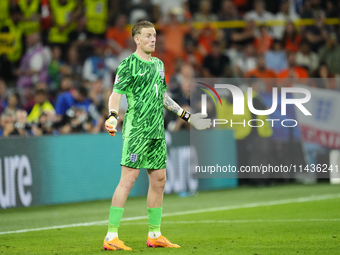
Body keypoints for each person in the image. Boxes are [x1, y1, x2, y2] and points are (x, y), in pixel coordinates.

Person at [103, 20, 211, 251]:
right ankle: (111, 236)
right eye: (148, 36)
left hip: (156, 131)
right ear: (137, 39)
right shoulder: (127, 65)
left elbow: (162, 97)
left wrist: (188, 116)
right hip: (137, 131)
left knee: (159, 181)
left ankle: (154, 234)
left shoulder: (159, 65)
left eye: (154, 35)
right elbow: (116, 94)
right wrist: (113, 115)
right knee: (128, 180)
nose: (153, 39)